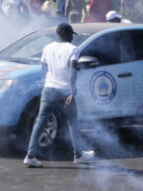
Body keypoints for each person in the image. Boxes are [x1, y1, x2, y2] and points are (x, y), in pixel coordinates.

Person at [23, 23, 94, 167]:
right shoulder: (73, 49)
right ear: (68, 35)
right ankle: (79, 155)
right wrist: (72, 91)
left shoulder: (47, 48)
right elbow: (72, 72)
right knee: (73, 122)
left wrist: (48, 81)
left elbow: (44, 68)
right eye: (71, 35)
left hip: (49, 88)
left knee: (41, 121)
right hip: (65, 90)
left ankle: (30, 155)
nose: (72, 38)